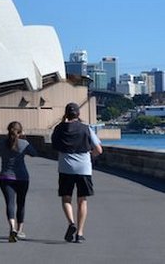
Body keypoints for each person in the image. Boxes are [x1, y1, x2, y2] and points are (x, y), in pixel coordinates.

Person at [51, 102, 103, 244]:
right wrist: (89, 157)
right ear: (78, 114)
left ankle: (71, 223)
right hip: (84, 168)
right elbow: (99, 149)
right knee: (82, 200)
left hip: (66, 168)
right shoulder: (86, 129)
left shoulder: (59, 128)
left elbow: (54, 145)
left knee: (66, 198)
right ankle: (79, 233)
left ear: (66, 114)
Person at [0, 121, 37, 242]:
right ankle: (20, 230)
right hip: (22, 178)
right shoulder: (24, 143)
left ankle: (12, 227)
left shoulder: (0, 143)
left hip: (6, 178)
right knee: (21, 203)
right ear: (20, 132)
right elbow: (34, 154)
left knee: (10, 203)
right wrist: (25, 138)